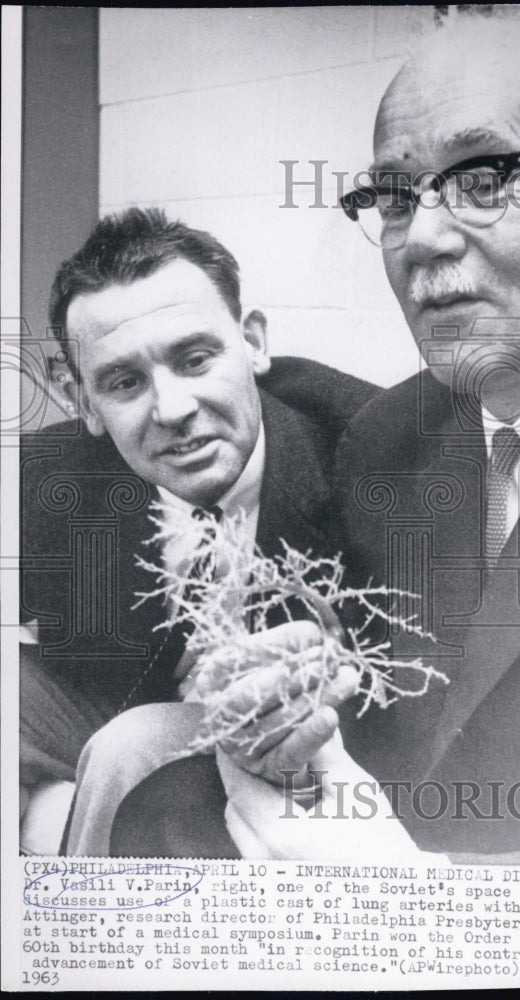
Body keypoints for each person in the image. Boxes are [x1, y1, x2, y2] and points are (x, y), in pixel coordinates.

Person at [111, 14, 520, 864]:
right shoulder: (386, 438)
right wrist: (300, 697)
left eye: (485, 179)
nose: (422, 240)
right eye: (395, 198)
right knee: (154, 815)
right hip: (379, 857)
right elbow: (388, 711)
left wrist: (416, 887)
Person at [20, 207, 376, 854]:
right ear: (83, 404)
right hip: (145, 687)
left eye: (194, 359)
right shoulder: (50, 472)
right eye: (125, 382)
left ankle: (77, 949)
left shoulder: (373, 451)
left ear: (254, 344)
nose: (173, 409)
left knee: (127, 747)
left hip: (293, 722)